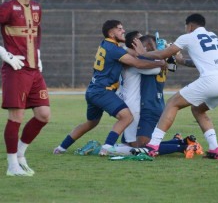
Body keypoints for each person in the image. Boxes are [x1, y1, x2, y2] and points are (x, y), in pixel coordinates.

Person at [130, 13, 218, 159]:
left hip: (211, 80)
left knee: (173, 103)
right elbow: (201, 63)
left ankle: (152, 146)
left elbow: (162, 55)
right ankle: (215, 149)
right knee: (198, 110)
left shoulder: (188, 36)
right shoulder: (215, 37)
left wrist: (143, 53)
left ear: (190, 26)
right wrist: (180, 61)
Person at [53, 20, 165, 156]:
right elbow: (138, 63)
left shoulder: (106, 45)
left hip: (92, 90)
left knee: (91, 122)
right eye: (119, 29)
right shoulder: (115, 50)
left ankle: (61, 147)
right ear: (111, 33)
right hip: (103, 91)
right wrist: (161, 61)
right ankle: (106, 147)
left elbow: (124, 49)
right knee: (126, 117)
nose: (123, 31)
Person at [113, 34, 203, 158]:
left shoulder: (150, 62)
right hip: (153, 104)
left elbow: (153, 66)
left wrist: (141, 52)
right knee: (136, 144)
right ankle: (181, 142)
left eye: (141, 45)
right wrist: (165, 54)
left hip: (149, 106)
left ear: (146, 47)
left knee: (143, 146)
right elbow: (171, 66)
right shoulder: (157, 61)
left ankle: (186, 147)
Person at [0, 0, 50, 177]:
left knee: (44, 115)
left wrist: (38, 56)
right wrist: (5, 55)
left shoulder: (37, 7)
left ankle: (20, 156)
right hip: (16, 70)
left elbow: (36, 34)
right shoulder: (7, 8)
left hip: (34, 71)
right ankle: (12, 166)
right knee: (16, 117)